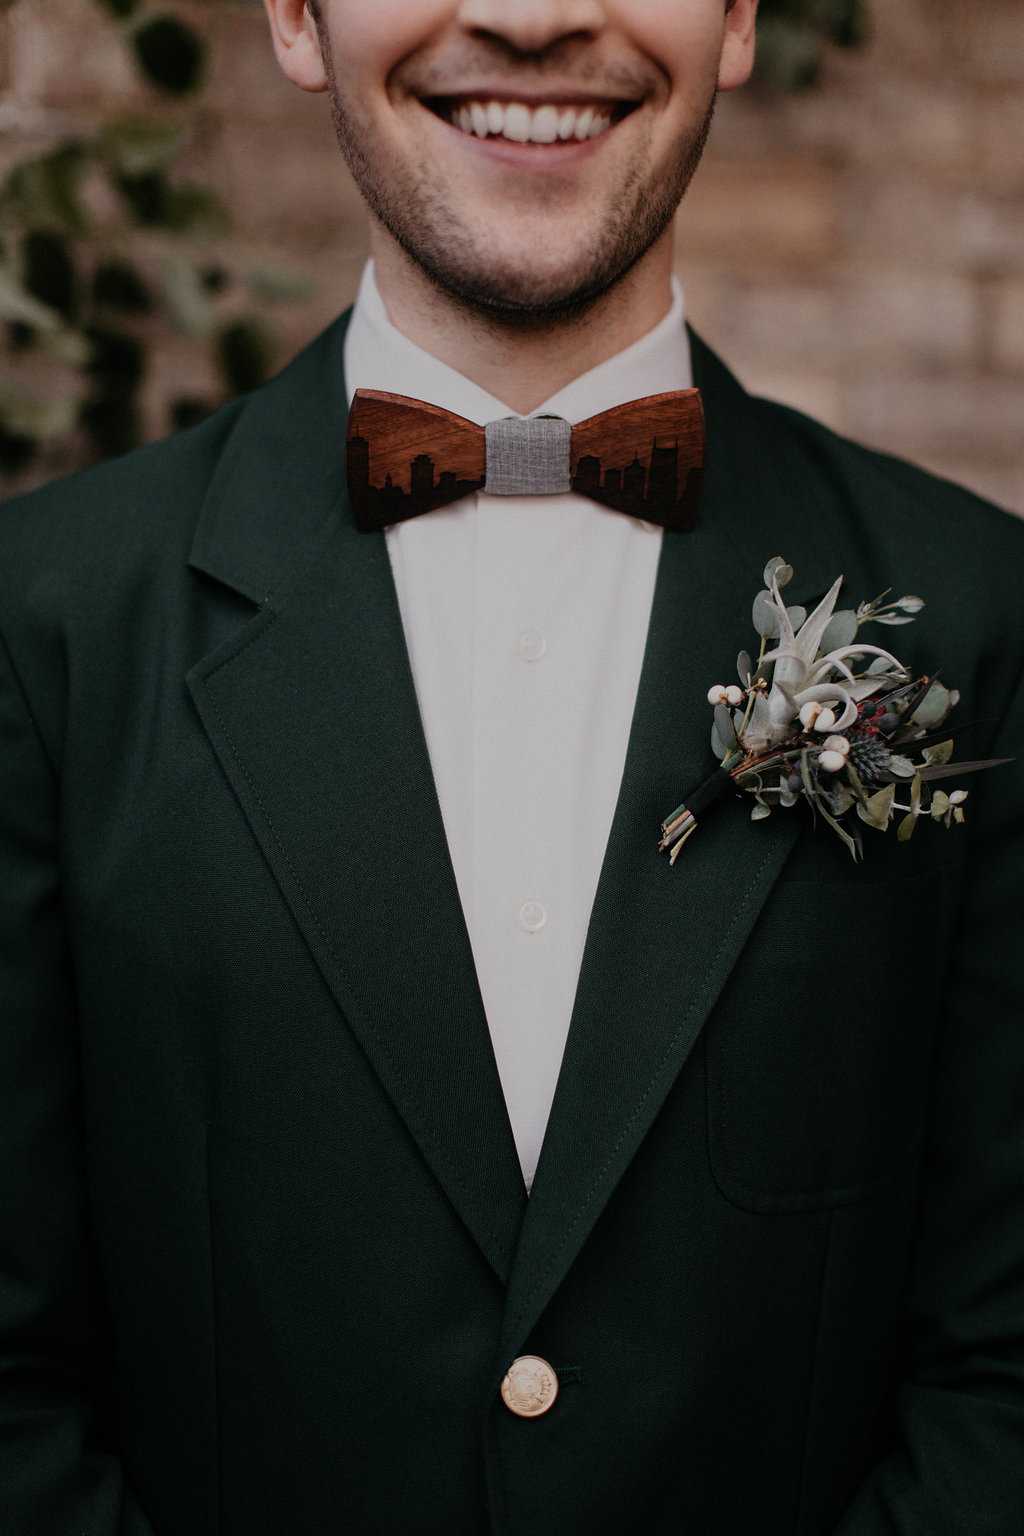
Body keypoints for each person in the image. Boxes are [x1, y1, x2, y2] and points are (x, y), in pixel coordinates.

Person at [1, 1, 1022, 1531]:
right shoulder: (44, 631)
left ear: (739, 17)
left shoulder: (980, 616)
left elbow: (1001, 1375)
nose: (535, 14)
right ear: (295, 14)